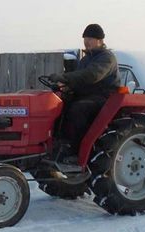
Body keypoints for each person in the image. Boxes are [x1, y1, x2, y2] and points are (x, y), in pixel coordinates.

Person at [49, 24, 121, 159]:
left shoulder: (106, 58)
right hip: (86, 95)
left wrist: (65, 77)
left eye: (90, 38)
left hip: (104, 97)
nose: (86, 41)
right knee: (57, 106)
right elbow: (79, 80)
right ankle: (56, 144)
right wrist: (64, 87)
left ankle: (78, 150)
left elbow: (91, 75)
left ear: (100, 40)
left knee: (78, 109)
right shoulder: (86, 59)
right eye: (85, 38)